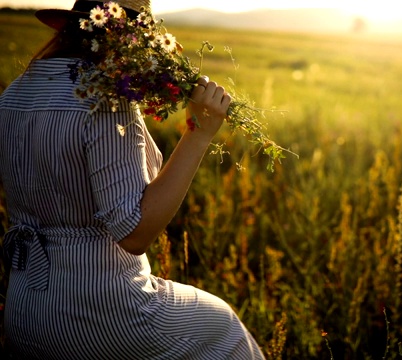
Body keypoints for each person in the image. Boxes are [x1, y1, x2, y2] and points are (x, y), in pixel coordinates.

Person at [0, 0, 265, 358]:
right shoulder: (105, 98)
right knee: (224, 329)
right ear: (131, 39)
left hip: (24, 309)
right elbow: (135, 232)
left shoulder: (14, 92)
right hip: (101, 311)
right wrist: (198, 133)